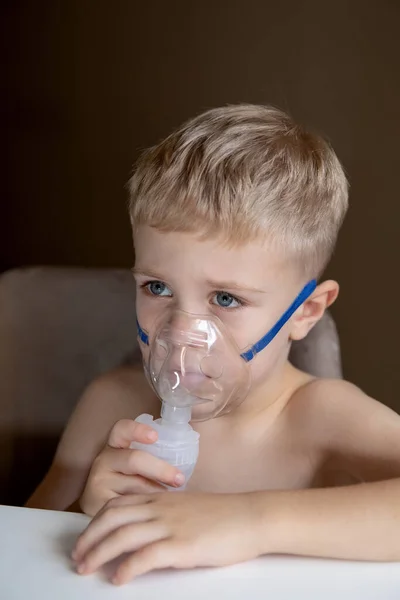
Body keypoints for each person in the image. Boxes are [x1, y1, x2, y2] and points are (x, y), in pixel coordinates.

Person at [27, 105, 400, 585]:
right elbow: (24, 553)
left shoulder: (321, 417)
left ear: (305, 312)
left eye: (226, 298)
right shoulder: (111, 404)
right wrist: (85, 512)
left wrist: (249, 521)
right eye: (157, 288)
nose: (181, 331)